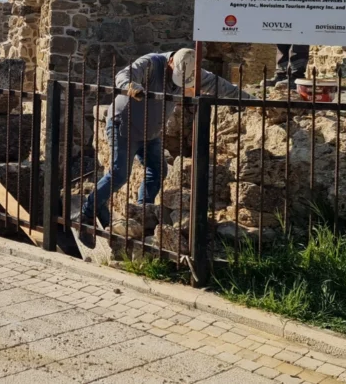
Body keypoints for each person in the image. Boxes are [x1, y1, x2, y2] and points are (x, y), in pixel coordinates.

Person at [78, 48, 253, 243]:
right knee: (119, 174)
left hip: (151, 131)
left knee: (158, 170)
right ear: (171, 62)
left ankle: (142, 212)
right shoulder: (151, 63)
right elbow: (124, 74)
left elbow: (217, 84)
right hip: (124, 125)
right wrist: (130, 85)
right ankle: (87, 213)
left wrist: (251, 101)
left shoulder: (192, 69)